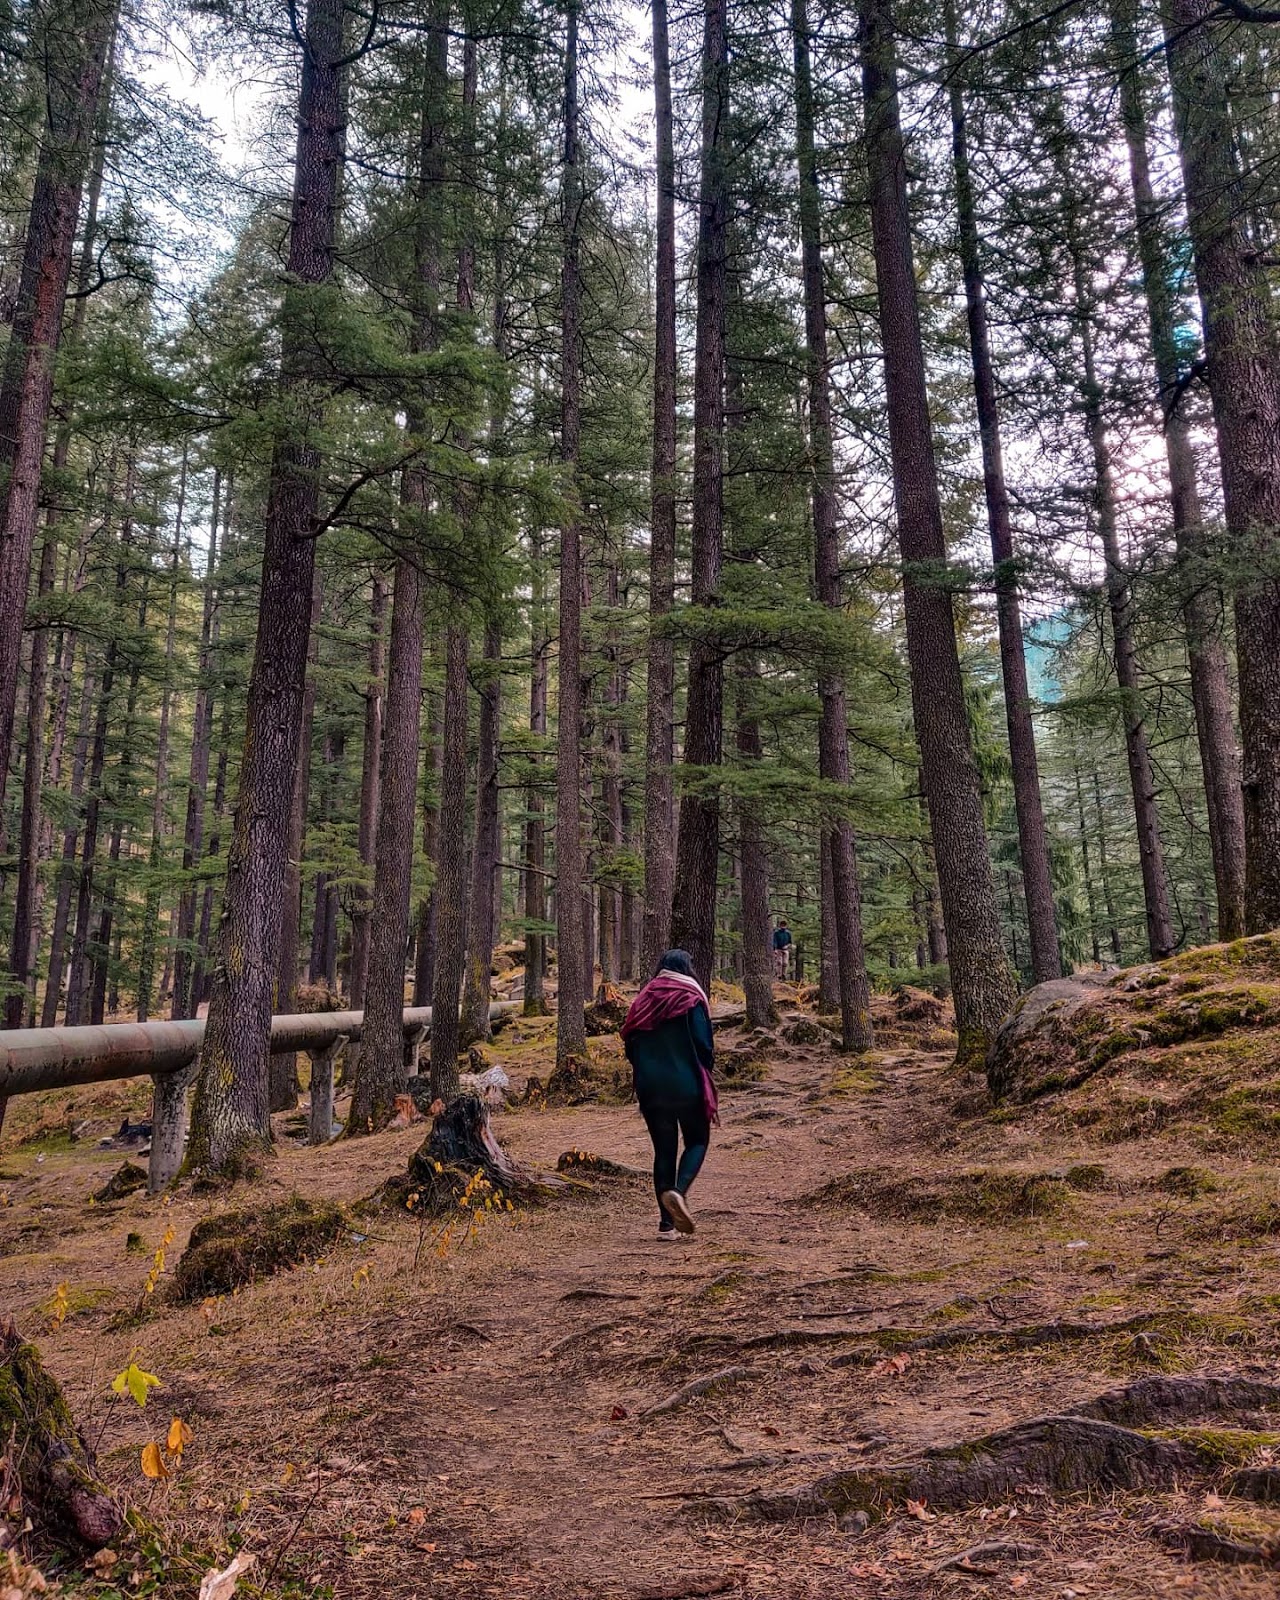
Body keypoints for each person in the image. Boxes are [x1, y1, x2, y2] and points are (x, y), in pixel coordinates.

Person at [620, 949, 718, 1239]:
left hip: (651, 1088)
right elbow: (704, 1044)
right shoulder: (691, 998)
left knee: (663, 1151)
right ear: (688, 969)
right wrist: (705, 1070)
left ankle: (666, 1225)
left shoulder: (642, 999)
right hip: (687, 1082)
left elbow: (629, 1043)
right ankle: (678, 1192)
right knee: (697, 1140)